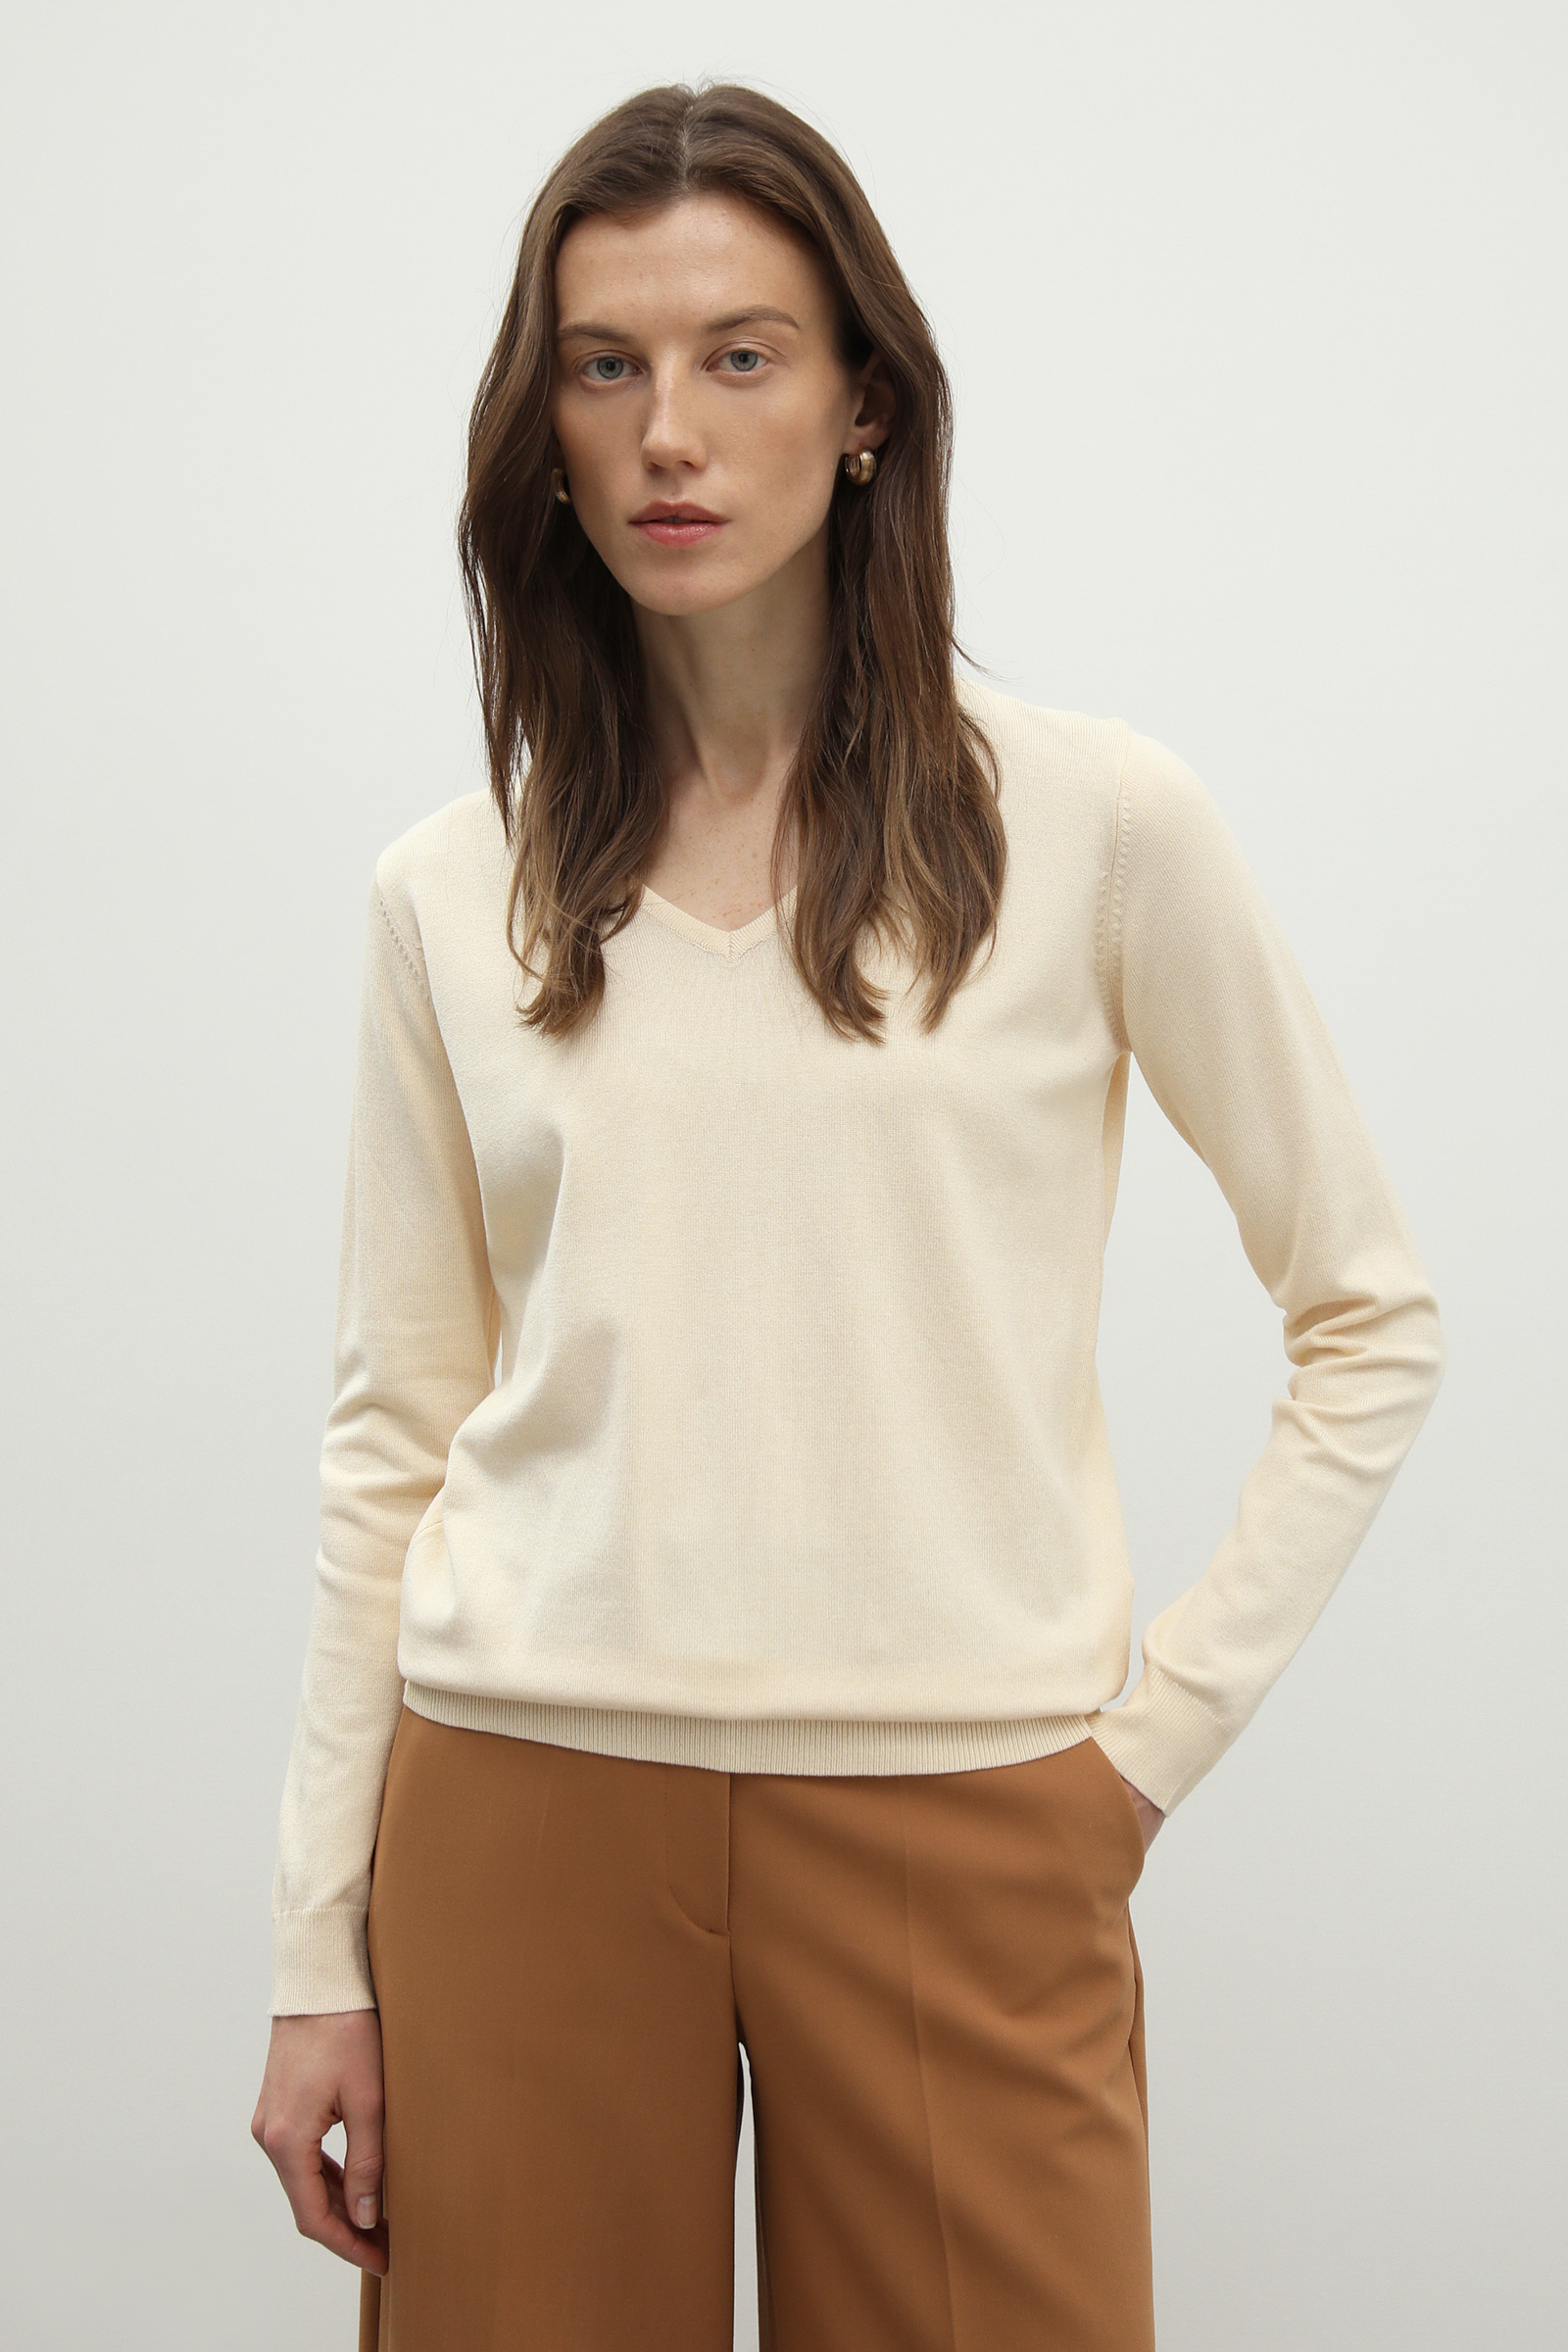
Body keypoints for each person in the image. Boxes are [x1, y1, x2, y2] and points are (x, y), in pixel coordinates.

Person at [250, 78, 1446, 2352]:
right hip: (519, 1806)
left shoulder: (1097, 831)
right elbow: (394, 1426)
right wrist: (319, 1950)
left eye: (740, 355)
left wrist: (1136, 1758)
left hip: (959, 1808)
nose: (666, 432)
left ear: (864, 402)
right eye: (603, 365)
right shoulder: (447, 894)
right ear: (541, 430)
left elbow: (1365, 1314)